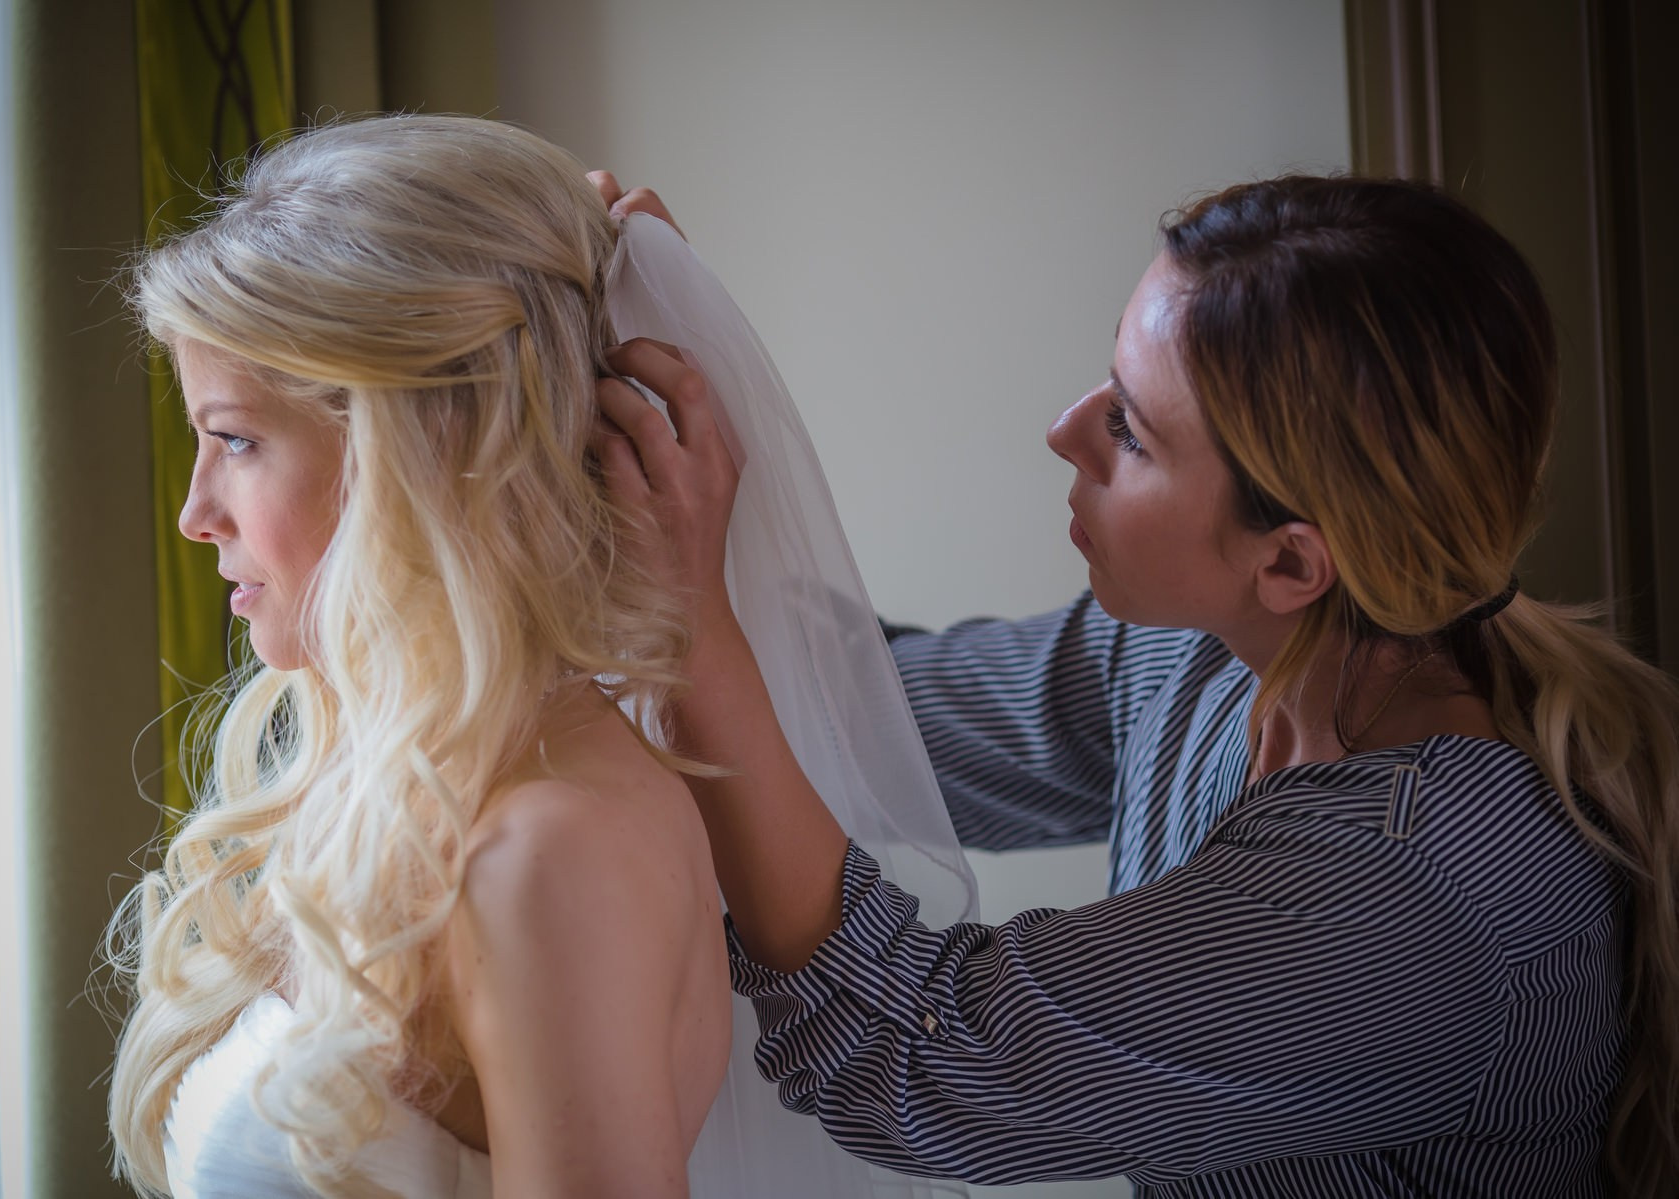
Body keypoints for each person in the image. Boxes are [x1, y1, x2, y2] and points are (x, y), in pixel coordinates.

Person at [597, 174, 1679, 1196]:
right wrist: (688, 385)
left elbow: (918, 1053)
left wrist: (693, 622)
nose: (1064, 430)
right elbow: (862, 719)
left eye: (1129, 428)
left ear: (1292, 562)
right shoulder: (1208, 654)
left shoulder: (1418, 888)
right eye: (1108, 382)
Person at [106, 113, 975, 1199]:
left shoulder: (548, 853)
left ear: (424, 445)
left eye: (235, 438)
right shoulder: (407, 782)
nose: (194, 511)